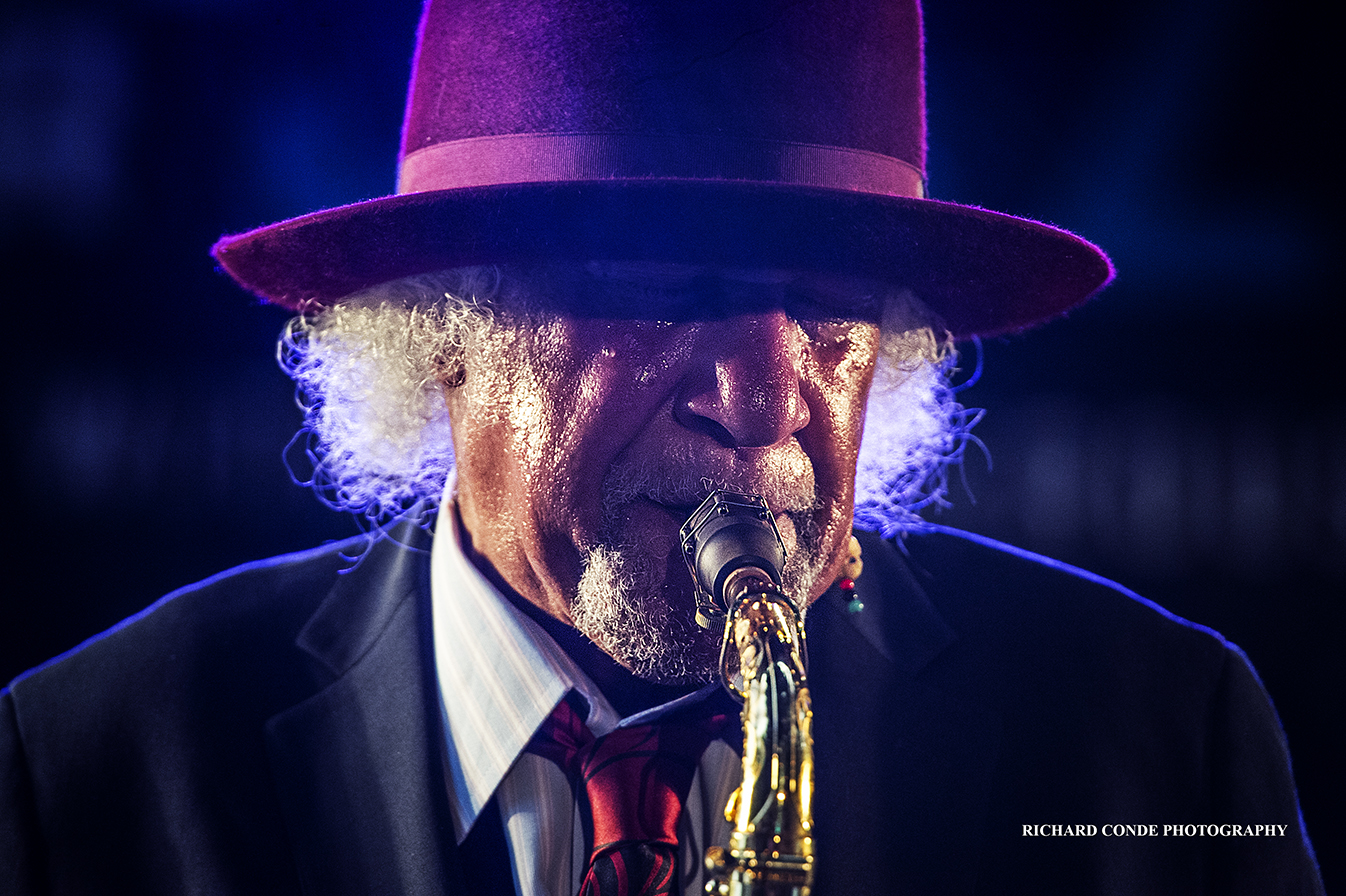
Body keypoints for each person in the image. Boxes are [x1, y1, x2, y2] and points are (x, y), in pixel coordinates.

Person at [0, 1, 1323, 893]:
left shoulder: (1161, 739)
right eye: (664, 290)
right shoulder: (88, 763)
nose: (762, 402)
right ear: (440, 333)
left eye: (828, 312)